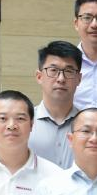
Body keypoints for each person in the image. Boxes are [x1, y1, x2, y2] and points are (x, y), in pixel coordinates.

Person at [29, 41, 82, 169]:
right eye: (53, 70)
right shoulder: (25, 123)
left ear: (79, 79)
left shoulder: (88, 125)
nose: (61, 79)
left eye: (69, 71)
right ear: (39, 76)